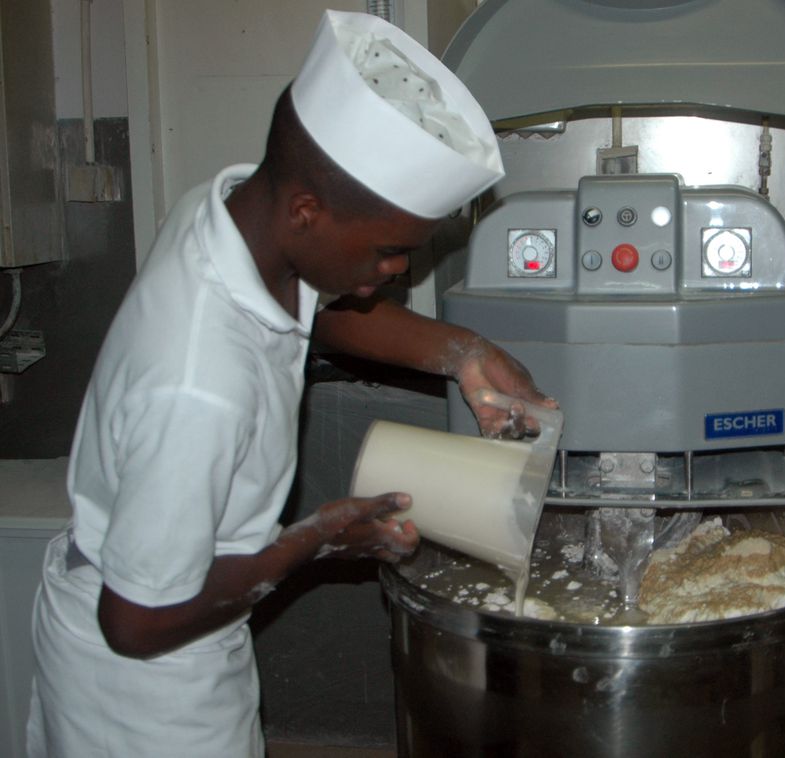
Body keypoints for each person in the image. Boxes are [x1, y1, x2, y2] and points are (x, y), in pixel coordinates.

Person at [26, 10, 554, 757]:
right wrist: (315, 542)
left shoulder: (232, 216)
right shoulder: (199, 383)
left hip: (172, 618)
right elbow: (135, 621)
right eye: (390, 252)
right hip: (142, 692)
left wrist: (462, 352)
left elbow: (319, 312)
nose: (398, 271)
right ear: (307, 211)